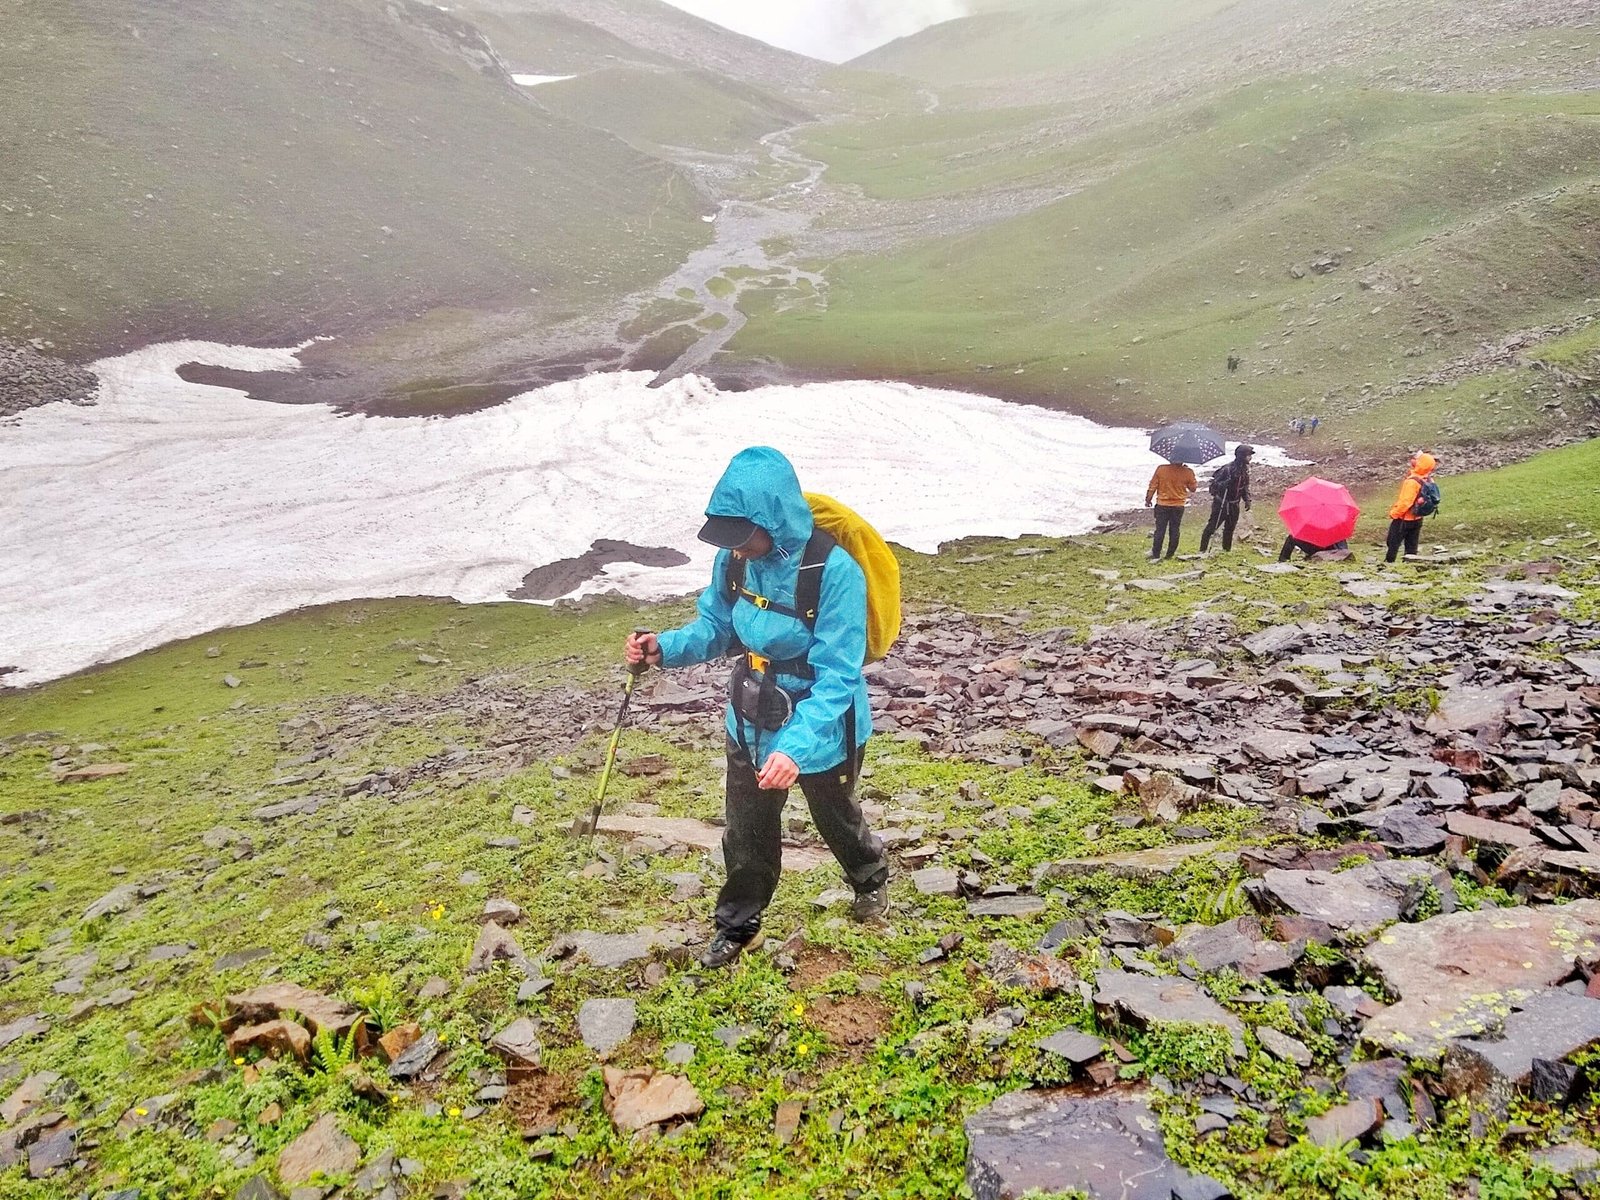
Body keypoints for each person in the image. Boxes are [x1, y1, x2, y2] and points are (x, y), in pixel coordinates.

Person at [625, 447, 888, 970]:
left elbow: (839, 675)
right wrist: (665, 648)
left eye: (744, 536)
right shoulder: (734, 559)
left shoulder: (835, 572)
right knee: (745, 824)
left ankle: (870, 876)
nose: (737, 550)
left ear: (774, 518)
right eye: (729, 539)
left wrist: (795, 748)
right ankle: (738, 925)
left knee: (833, 812)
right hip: (750, 716)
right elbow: (716, 627)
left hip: (824, 724)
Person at [1200, 444, 1254, 553]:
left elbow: (1245, 487)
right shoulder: (1227, 469)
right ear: (1241, 456)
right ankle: (1202, 550)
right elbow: (1213, 486)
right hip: (1221, 503)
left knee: (1230, 529)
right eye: (1248, 455)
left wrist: (1247, 499)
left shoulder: (1245, 470)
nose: (1250, 458)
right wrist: (1225, 483)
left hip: (1234, 504)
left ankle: (1226, 550)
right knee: (1212, 527)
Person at [1385, 451, 1438, 563]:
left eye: (1418, 460)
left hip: (1404, 519)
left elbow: (1406, 502)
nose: (1415, 460)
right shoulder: (1427, 478)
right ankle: (1410, 565)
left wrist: (1394, 513)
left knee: (1393, 543)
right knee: (1412, 545)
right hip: (1418, 518)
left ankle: (1388, 565)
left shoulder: (1412, 481)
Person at [1144, 457, 1197, 561]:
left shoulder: (1161, 469)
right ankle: (1170, 554)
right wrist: (1188, 474)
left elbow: (1153, 485)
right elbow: (1193, 488)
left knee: (1160, 530)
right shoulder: (1188, 471)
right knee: (1175, 530)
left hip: (1162, 504)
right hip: (1178, 505)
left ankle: (1156, 553)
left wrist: (1148, 499)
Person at [1279, 535, 1350, 562]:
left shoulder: (1310, 518)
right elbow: (1344, 549)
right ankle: (1283, 559)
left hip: (1319, 550)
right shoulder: (1336, 523)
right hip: (1331, 550)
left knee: (1292, 537)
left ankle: (1283, 559)